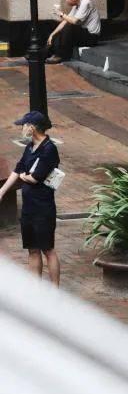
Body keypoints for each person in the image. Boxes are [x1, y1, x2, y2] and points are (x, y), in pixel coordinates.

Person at [0, 111, 61, 286]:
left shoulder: (49, 149)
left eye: (24, 125)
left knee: (47, 249)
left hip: (43, 207)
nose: (22, 128)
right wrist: (2, 190)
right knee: (32, 249)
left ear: (32, 128)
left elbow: (34, 178)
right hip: (29, 207)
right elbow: (19, 169)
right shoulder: (30, 147)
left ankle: (55, 290)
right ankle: (35, 291)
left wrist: (25, 176)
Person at [45, 0, 101, 64]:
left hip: (92, 37)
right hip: (82, 35)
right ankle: (44, 54)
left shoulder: (86, 3)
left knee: (69, 26)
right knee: (59, 30)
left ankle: (60, 55)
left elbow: (75, 21)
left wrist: (61, 14)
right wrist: (52, 34)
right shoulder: (76, 6)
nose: (66, 0)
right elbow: (65, 21)